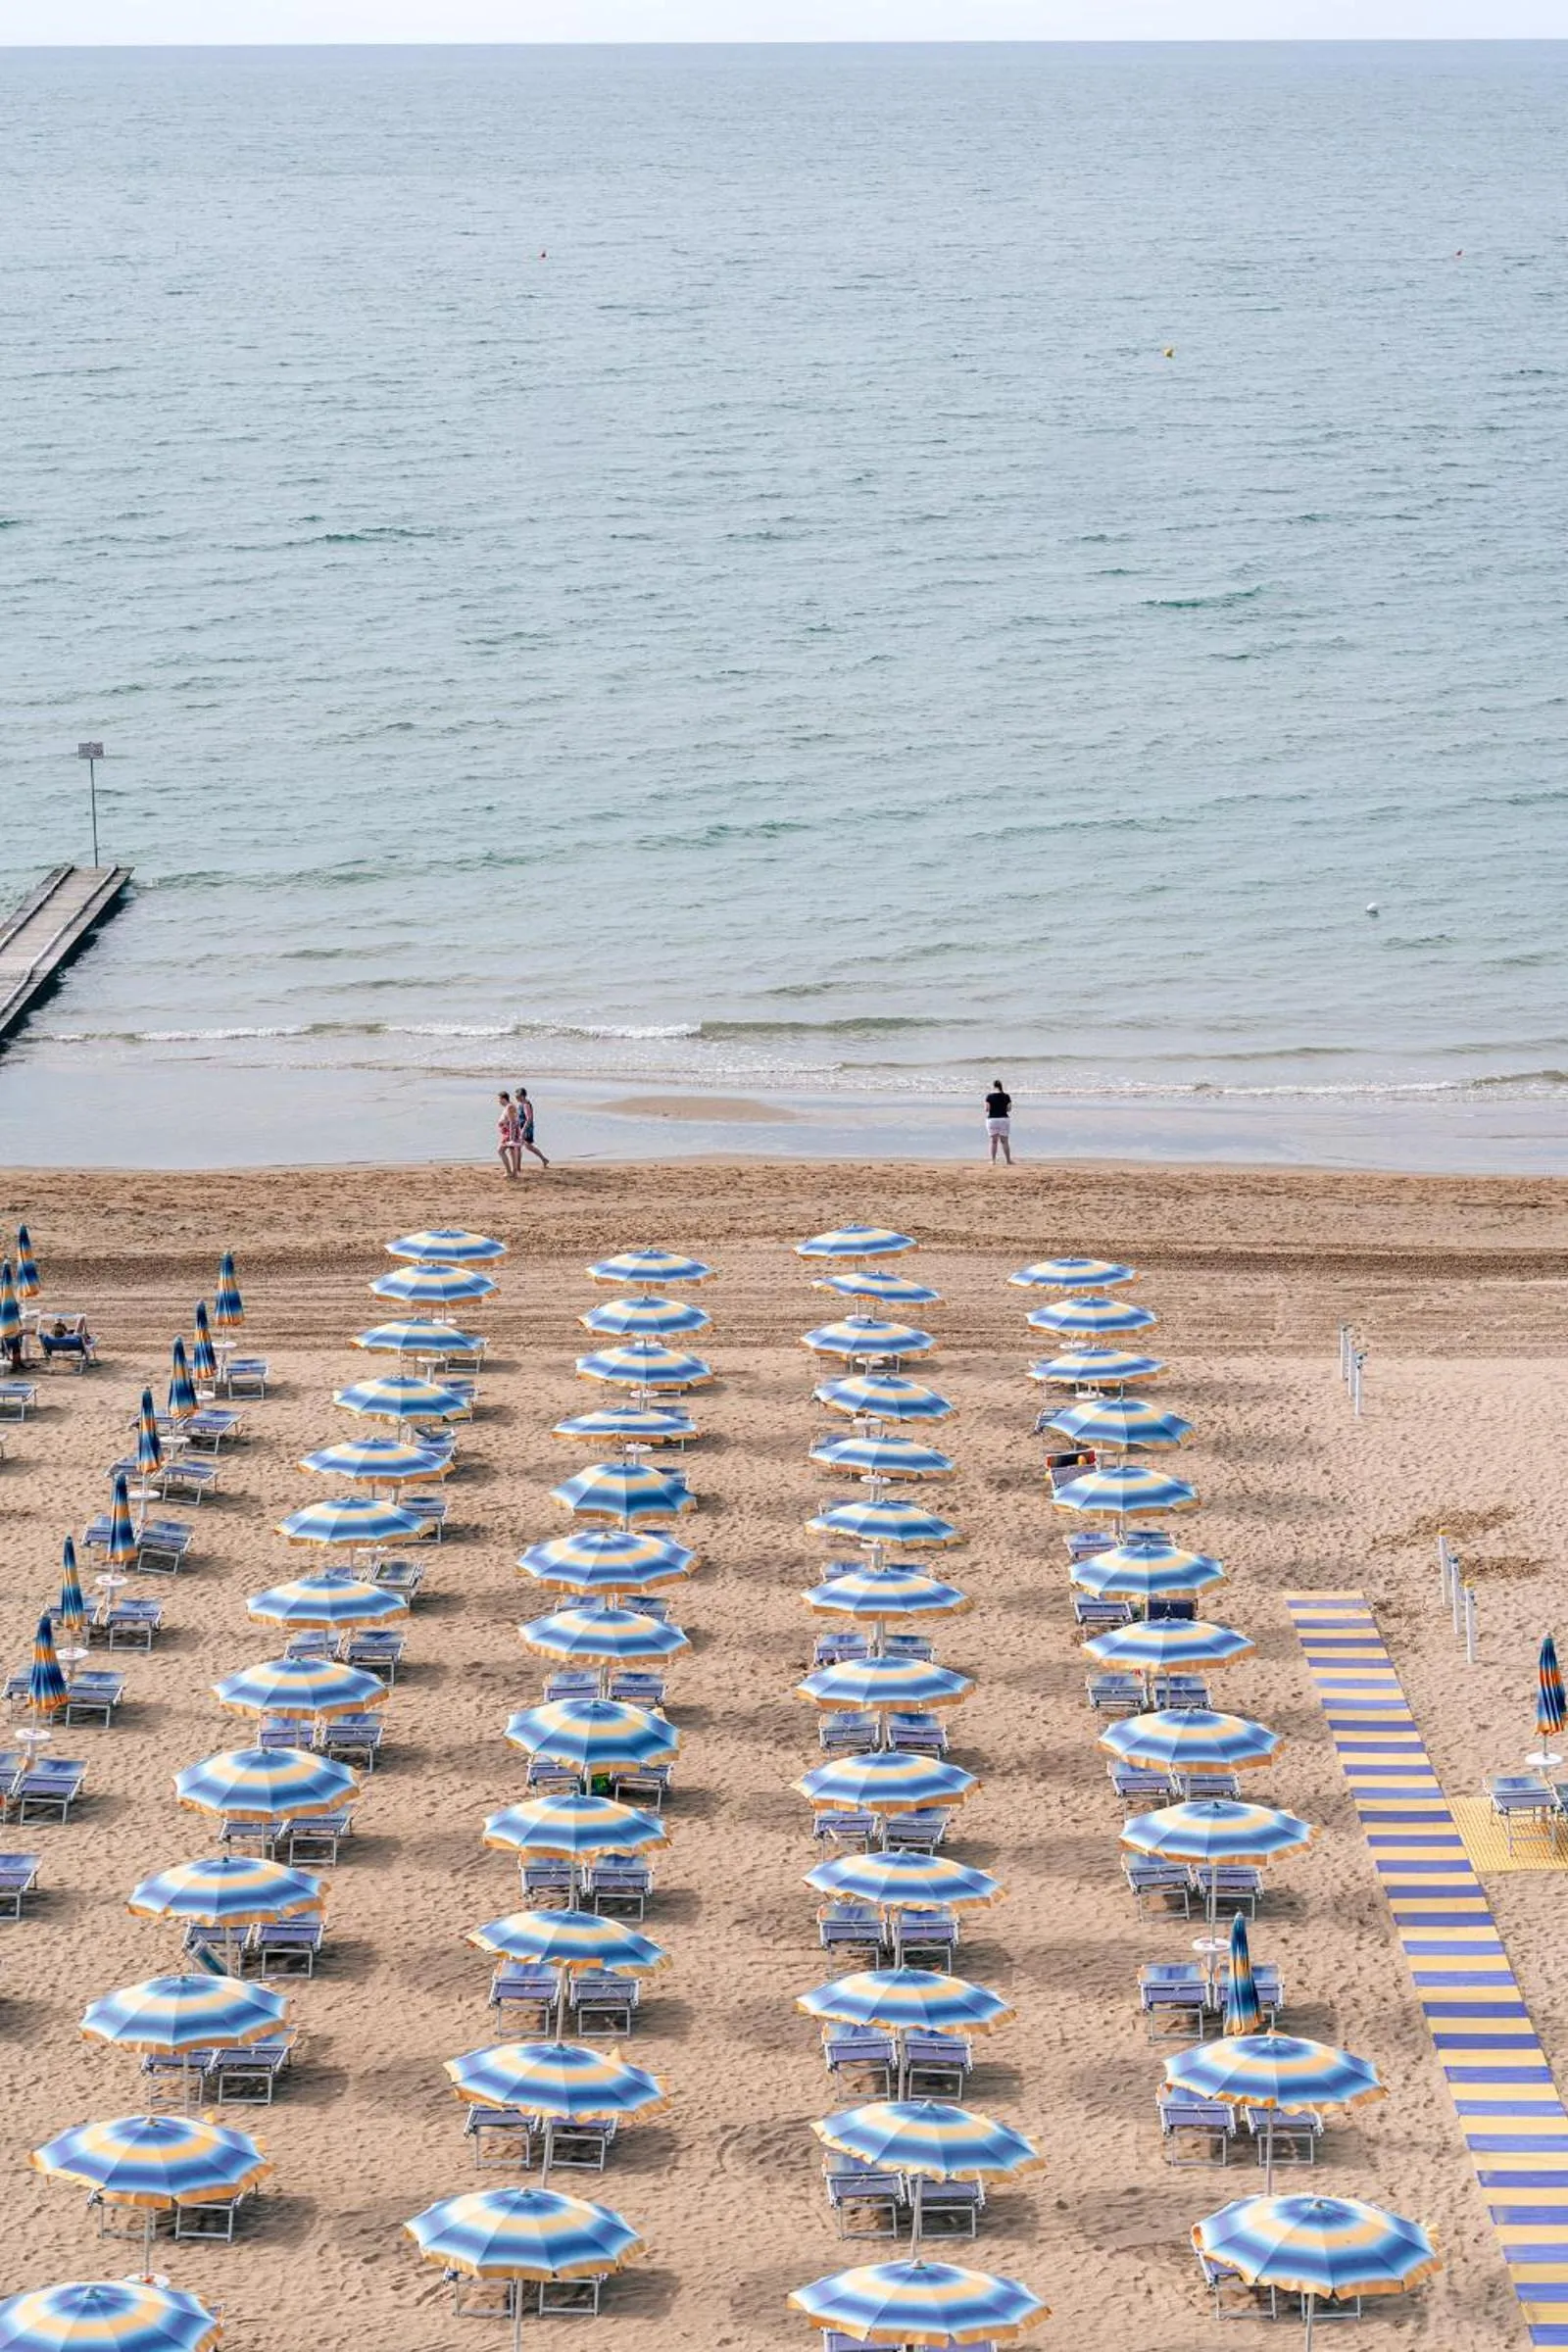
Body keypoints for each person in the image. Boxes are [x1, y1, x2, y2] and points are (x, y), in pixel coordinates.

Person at [514, 1085, 550, 1169]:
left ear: (522, 1096)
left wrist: (523, 1130)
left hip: (526, 1128)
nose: (516, 1098)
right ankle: (544, 1159)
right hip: (522, 1127)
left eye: (517, 1096)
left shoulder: (526, 1105)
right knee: (528, 1146)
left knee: (520, 1146)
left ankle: (518, 1168)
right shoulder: (521, 1104)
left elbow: (529, 1118)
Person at [985, 1077, 1013, 1165]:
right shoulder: (1006, 1096)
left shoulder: (989, 1096)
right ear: (1001, 1086)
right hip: (1004, 1119)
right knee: (1004, 1141)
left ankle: (993, 1161)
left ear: (994, 1087)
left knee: (993, 1141)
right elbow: (1009, 1109)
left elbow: (986, 1109)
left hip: (992, 1119)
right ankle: (1008, 1160)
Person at [497, 1091, 520, 1179]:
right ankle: (514, 1173)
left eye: (499, 1099)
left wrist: (511, 1137)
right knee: (512, 1152)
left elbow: (512, 1122)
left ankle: (509, 1172)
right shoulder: (508, 1106)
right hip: (508, 1133)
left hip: (509, 1133)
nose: (498, 1101)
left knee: (500, 1150)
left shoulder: (510, 1107)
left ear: (503, 1099)